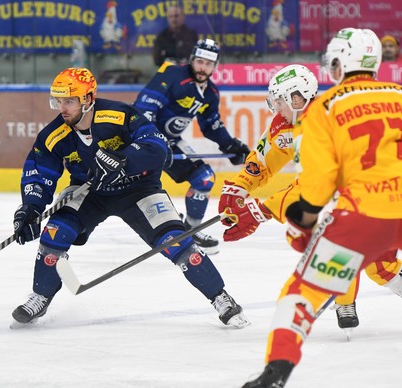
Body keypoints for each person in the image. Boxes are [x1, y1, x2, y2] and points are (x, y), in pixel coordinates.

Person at [10, 67, 250, 329]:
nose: (62, 108)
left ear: (88, 99)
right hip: (90, 192)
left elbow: (156, 143)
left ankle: (221, 297)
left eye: (69, 100)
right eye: (58, 101)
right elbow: (39, 172)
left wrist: (125, 160)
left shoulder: (119, 114)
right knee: (54, 232)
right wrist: (30, 209)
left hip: (138, 188)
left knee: (176, 241)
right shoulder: (53, 135)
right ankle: (41, 295)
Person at [242, 28, 402, 387]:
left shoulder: (326, 107)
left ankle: (277, 369)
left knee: (302, 291)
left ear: (337, 63)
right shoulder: (400, 94)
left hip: (365, 216)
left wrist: (303, 225)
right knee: (383, 268)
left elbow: (316, 188)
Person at [218, 63, 402, 340]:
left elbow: (315, 185)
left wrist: (263, 209)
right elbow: (264, 161)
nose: (276, 108)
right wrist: (239, 187)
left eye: (280, 100)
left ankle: (344, 297)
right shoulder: (286, 125)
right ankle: (346, 297)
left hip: (385, 188)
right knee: (379, 262)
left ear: (298, 97)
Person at [134, 39, 251, 253]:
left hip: (170, 142)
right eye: (199, 61)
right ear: (192, 60)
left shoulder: (210, 93)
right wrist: (155, 142)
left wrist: (231, 146)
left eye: (208, 64)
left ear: (215, 66)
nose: (203, 67)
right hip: (143, 140)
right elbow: (143, 110)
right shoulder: (172, 74)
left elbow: (211, 126)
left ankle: (190, 230)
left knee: (204, 178)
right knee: (136, 189)